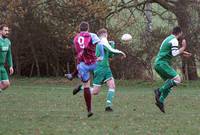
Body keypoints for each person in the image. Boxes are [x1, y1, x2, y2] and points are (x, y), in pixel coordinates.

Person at [73, 28, 126, 112]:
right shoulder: (101, 42)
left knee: (112, 86)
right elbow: (110, 50)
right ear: (104, 35)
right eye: (106, 35)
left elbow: (110, 56)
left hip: (106, 68)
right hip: (100, 68)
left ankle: (108, 106)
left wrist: (112, 45)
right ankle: (82, 88)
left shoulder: (105, 43)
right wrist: (120, 52)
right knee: (95, 92)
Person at [154, 26, 191, 113]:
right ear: (180, 33)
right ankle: (159, 91)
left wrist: (183, 52)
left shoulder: (168, 39)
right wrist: (183, 47)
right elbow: (174, 53)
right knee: (178, 79)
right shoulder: (174, 40)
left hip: (158, 64)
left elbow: (169, 51)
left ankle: (160, 102)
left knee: (169, 85)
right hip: (162, 63)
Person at [73, 21, 104, 117]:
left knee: (87, 85)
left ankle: (89, 110)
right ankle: (80, 85)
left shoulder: (76, 38)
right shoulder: (92, 35)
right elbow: (99, 45)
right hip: (93, 62)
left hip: (83, 63)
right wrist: (101, 56)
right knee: (101, 79)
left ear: (79, 29)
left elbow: (78, 50)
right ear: (88, 28)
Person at [0, 24, 14, 93]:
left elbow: (9, 54)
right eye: (5, 30)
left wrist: (11, 65)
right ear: (0, 31)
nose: (7, 32)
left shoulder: (8, 42)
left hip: (2, 67)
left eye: (7, 30)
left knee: (6, 84)